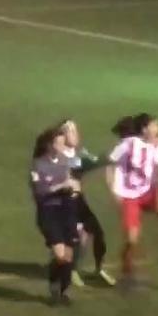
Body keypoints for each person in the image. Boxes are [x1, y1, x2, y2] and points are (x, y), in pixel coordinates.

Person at [106, 113, 158, 289]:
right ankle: (127, 275)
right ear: (144, 129)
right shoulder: (128, 144)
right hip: (130, 196)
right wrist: (114, 190)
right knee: (132, 239)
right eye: (154, 126)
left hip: (148, 191)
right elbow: (110, 164)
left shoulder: (157, 145)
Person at [59, 119, 116, 287]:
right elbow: (79, 166)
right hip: (66, 203)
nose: (75, 134)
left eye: (75, 130)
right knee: (79, 237)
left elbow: (94, 161)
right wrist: (99, 160)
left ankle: (99, 269)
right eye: (70, 131)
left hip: (79, 202)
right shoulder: (59, 156)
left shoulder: (78, 154)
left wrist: (109, 158)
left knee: (97, 232)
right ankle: (72, 270)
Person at [29, 126, 81, 305]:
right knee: (60, 255)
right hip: (48, 212)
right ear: (49, 145)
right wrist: (61, 186)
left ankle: (63, 292)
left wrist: (74, 190)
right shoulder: (38, 165)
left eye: (62, 142)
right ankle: (53, 287)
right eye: (58, 142)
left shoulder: (66, 161)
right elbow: (40, 192)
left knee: (68, 257)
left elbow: (74, 180)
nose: (62, 145)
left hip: (66, 211)